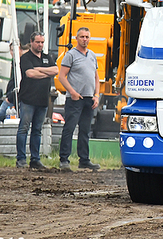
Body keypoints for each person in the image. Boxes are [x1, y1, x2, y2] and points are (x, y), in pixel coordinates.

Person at [57, 27, 101, 171]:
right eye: (82, 36)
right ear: (77, 38)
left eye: (87, 37)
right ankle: (64, 159)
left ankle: (84, 160)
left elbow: (96, 77)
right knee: (69, 128)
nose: (85, 39)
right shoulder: (70, 55)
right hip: (75, 98)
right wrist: (72, 91)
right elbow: (61, 76)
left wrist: (96, 95)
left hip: (89, 98)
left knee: (85, 130)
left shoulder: (92, 55)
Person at [16, 32, 58, 170]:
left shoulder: (47, 57)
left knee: (37, 130)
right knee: (24, 128)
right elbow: (29, 73)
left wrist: (39, 69)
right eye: (38, 42)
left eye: (42, 42)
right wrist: (46, 72)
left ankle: (35, 159)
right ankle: (21, 159)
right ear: (31, 42)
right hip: (28, 99)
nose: (40, 45)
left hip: (43, 100)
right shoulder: (26, 57)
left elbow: (56, 70)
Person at [0, 43, 30, 123]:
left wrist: (10, 97)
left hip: (15, 98)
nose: (12, 53)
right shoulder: (15, 62)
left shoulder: (22, 64)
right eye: (11, 50)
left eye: (14, 50)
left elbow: (19, 82)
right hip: (12, 96)